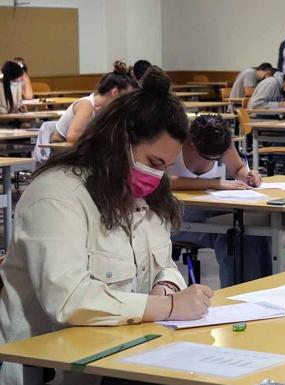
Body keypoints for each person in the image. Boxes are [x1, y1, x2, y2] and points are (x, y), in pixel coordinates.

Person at [0, 66, 215, 385]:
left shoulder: (145, 195)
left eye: (166, 167)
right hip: (50, 369)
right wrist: (166, 307)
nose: (157, 177)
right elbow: (70, 300)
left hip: (121, 355)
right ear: (121, 141)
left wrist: (166, 286)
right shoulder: (57, 197)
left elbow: (164, 262)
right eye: (154, 163)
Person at [169, 114, 271, 287]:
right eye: (212, 158)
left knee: (254, 229)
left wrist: (248, 176)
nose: (217, 161)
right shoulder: (173, 141)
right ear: (193, 145)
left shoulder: (222, 139)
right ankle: (236, 296)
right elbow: (164, 181)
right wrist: (216, 183)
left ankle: (260, 290)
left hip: (206, 208)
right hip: (173, 214)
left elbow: (238, 168)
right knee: (231, 233)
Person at [52, 61, 137, 143]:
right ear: (114, 92)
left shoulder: (105, 110)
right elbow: (72, 137)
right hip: (60, 151)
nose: (127, 101)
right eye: (126, 97)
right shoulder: (86, 105)